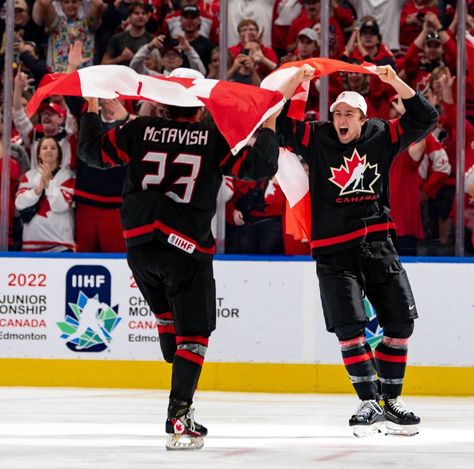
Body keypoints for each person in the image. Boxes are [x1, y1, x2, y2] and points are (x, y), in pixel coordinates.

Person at [77, 69, 281, 450]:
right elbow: (262, 168)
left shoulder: (137, 130)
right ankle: (179, 416)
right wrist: (269, 121)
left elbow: (90, 153)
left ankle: (168, 325)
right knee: (196, 336)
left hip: (139, 246)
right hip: (186, 248)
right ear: (200, 102)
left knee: (174, 331)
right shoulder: (212, 138)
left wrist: (91, 101)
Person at [276, 64, 438, 437]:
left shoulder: (382, 134)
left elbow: (425, 117)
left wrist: (394, 81)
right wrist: (294, 83)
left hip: (377, 244)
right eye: (336, 113)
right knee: (349, 328)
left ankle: (390, 400)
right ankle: (367, 401)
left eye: (349, 114)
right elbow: (278, 123)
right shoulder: (317, 137)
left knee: (400, 324)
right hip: (333, 250)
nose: (341, 119)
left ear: (364, 118)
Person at [15, 136, 75, 252]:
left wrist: (48, 182)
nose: (49, 150)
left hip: (60, 245)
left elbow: (61, 205)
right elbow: (19, 203)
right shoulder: (29, 175)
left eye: (53, 148)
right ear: (39, 154)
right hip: (31, 245)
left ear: (59, 153)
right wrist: (38, 189)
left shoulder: (68, 175)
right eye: (44, 148)